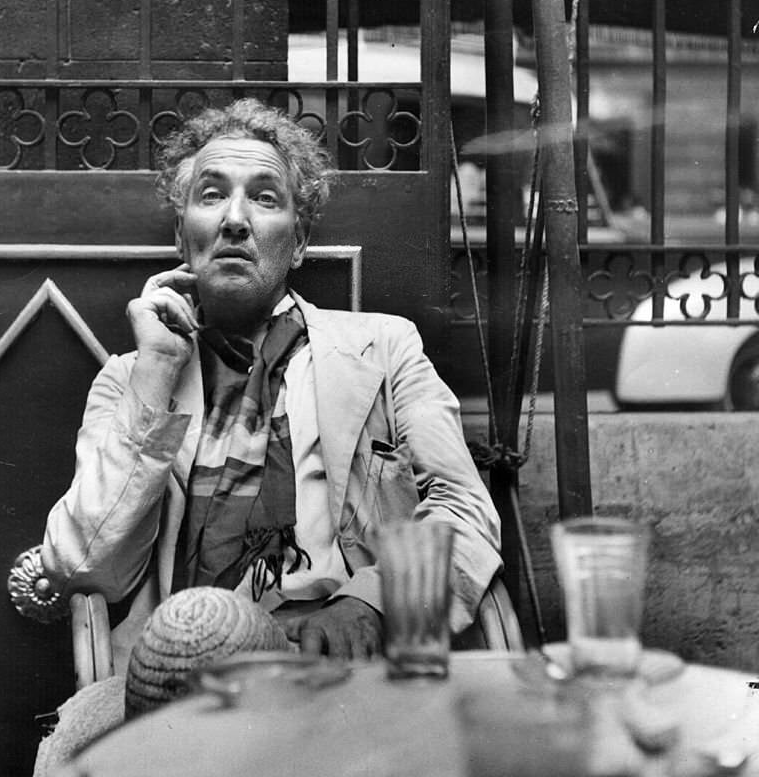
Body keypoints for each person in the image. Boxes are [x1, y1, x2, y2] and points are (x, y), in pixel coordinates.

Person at [41, 98, 502, 666]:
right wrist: (157, 370)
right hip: (187, 672)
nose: (235, 219)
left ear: (300, 240)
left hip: (350, 662)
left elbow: (464, 508)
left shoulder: (383, 349)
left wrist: (374, 603)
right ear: (184, 238)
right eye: (212, 196)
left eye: (264, 197)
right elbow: (86, 562)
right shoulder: (132, 380)